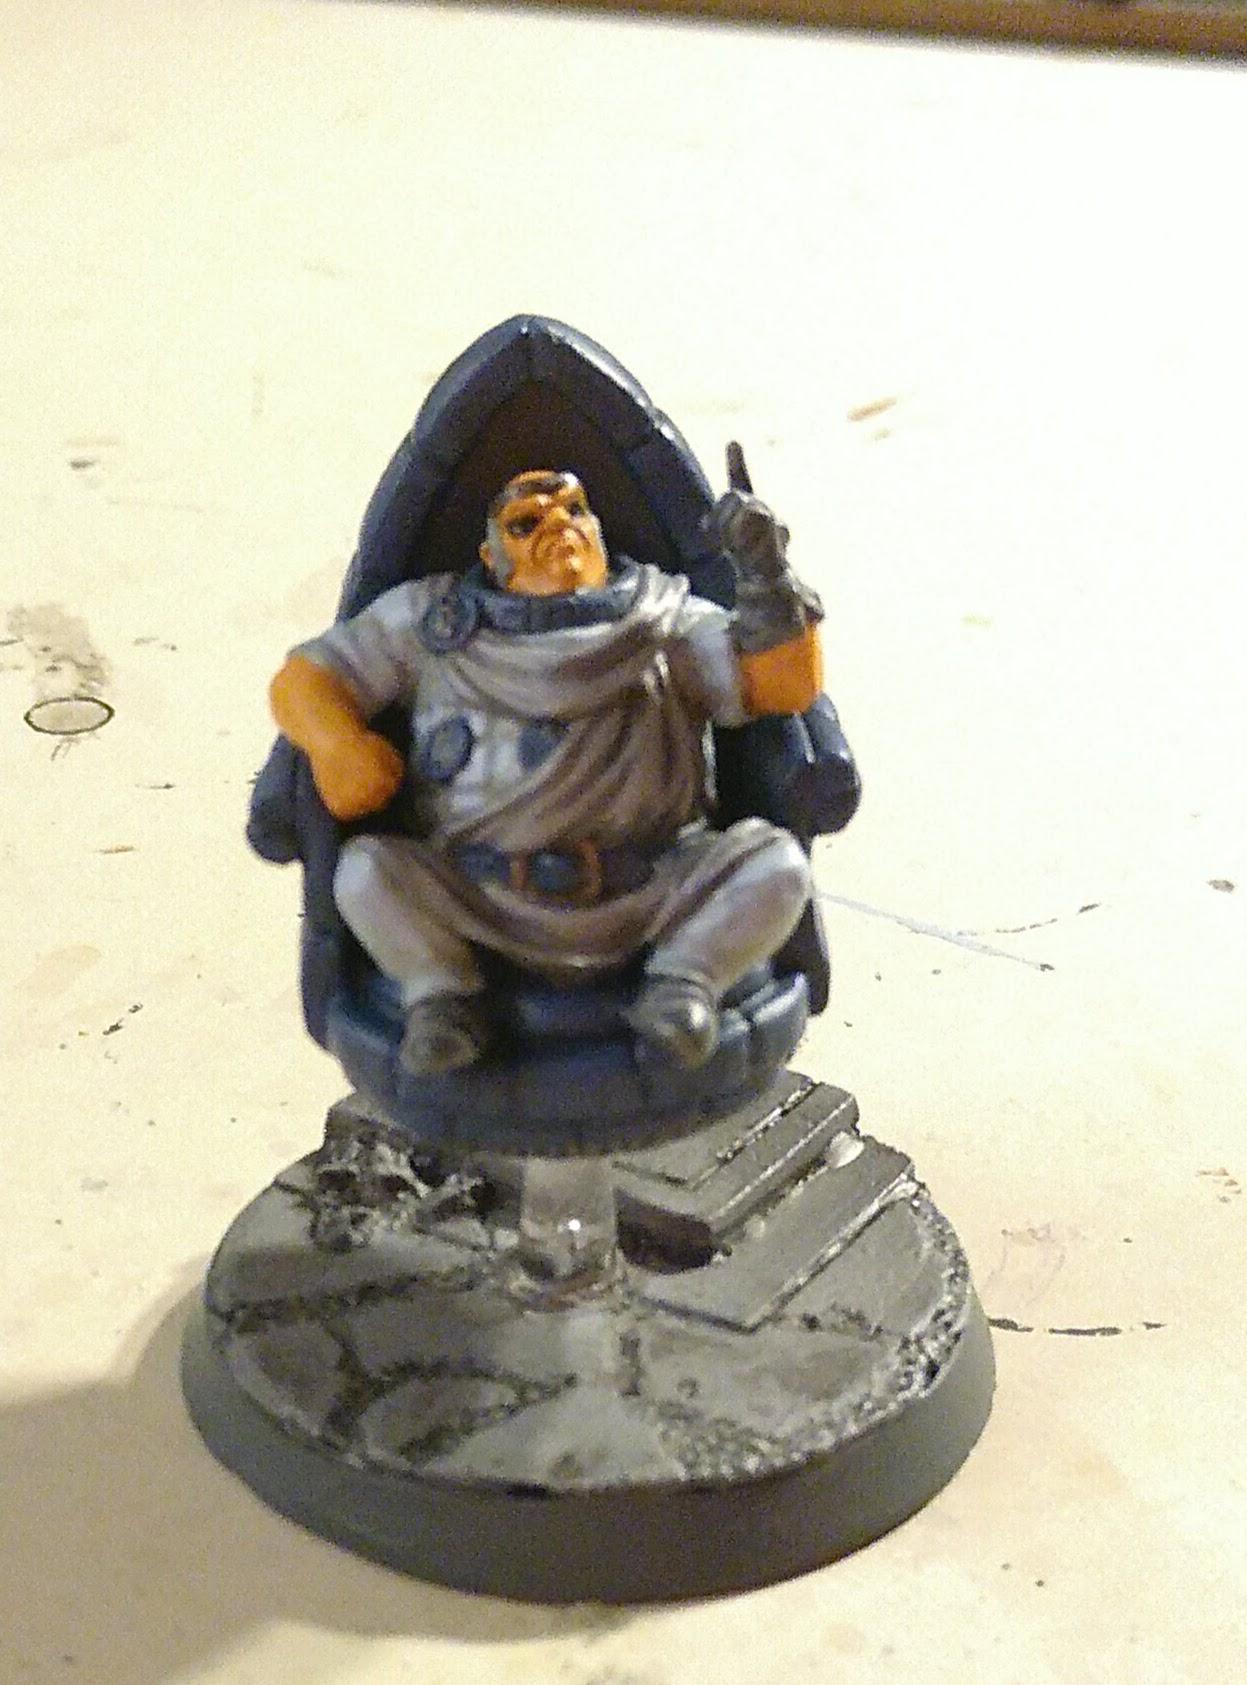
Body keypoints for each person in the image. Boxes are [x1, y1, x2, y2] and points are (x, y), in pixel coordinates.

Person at [269, 467, 823, 1075]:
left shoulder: (664, 619)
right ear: (490, 554)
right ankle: (444, 995)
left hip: (655, 888)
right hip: (481, 895)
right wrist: (336, 743)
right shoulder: (428, 621)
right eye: (527, 523)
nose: (560, 526)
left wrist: (766, 575)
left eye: (575, 509)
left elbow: (783, 687)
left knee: (777, 866)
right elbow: (308, 676)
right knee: (366, 873)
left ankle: (685, 980)